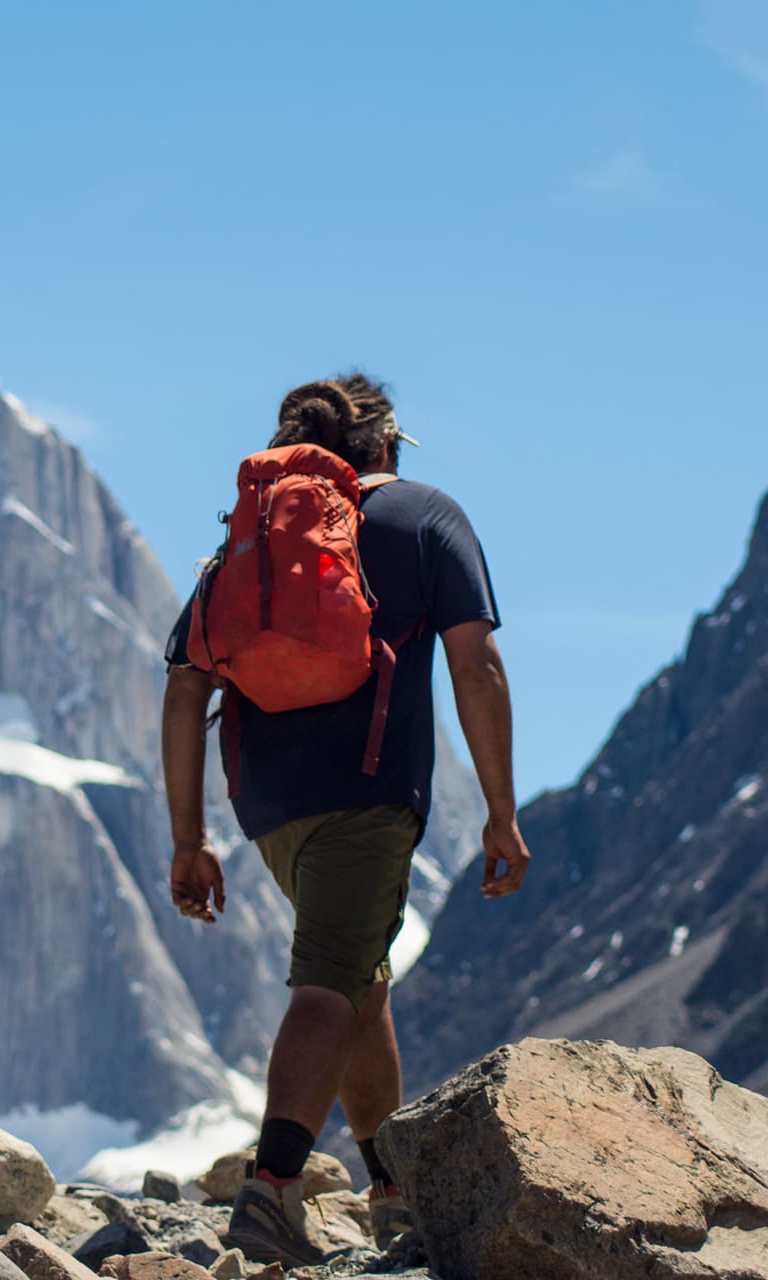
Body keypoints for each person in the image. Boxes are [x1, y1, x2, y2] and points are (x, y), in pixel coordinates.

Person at [160, 374, 531, 1265]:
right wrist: (501, 812)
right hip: (366, 793)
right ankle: (273, 1192)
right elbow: (475, 664)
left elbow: (184, 685)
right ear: (388, 446)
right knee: (331, 980)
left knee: (362, 979)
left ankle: (393, 1188)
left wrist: (189, 838)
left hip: (267, 807)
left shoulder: (252, 540)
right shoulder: (424, 518)